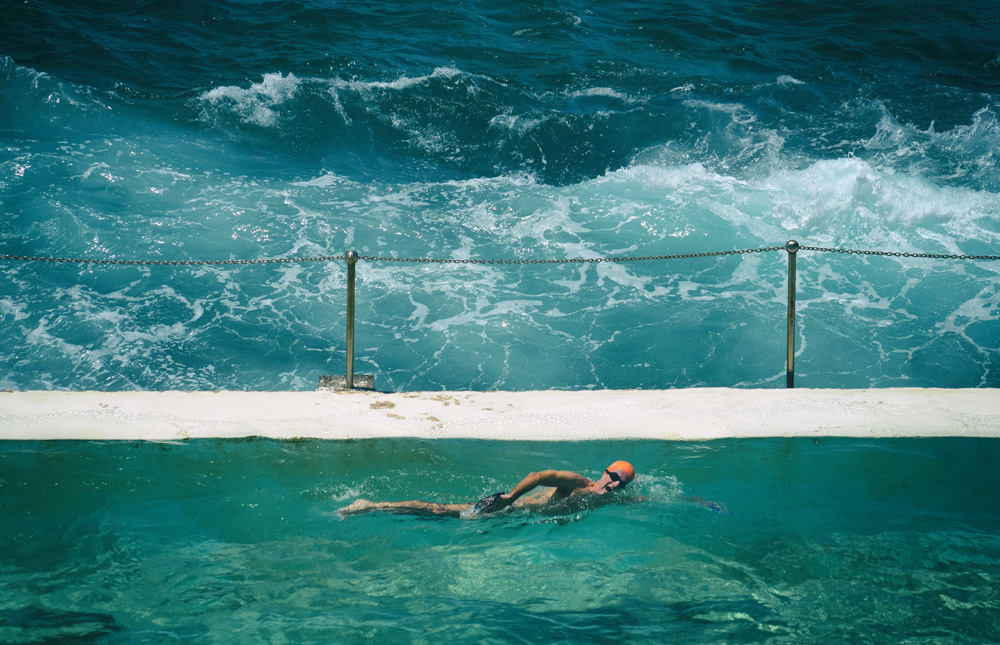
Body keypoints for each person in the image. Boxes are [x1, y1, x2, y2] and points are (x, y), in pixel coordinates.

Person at [338, 460, 640, 519]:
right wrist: (510, 498)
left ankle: (376, 507)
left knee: (443, 515)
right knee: (441, 511)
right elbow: (538, 475)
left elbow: (640, 501)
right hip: (507, 508)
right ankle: (370, 505)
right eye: (613, 476)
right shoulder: (577, 483)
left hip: (516, 520)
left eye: (621, 482)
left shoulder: (607, 499)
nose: (615, 483)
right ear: (604, 471)